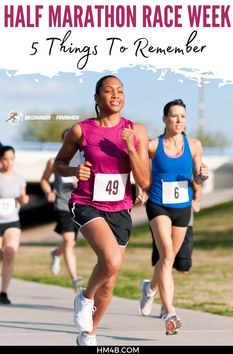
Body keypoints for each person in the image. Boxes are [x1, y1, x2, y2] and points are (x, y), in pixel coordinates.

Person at [53, 75, 150, 346]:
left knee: (109, 281)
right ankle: (84, 297)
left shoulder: (136, 130)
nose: (115, 95)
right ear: (97, 98)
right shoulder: (81, 130)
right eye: (108, 91)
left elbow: (144, 181)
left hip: (120, 208)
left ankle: (89, 333)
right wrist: (74, 170)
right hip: (87, 203)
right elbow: (59, 164)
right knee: (111, 260)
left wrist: (131, 148)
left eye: (120, 90)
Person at [138, 99, 208, 335]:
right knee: (167, 255)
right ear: (165, 119)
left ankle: (150, 289)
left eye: (183, 117)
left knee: (167, 260)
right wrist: (139, 189)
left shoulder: (195, 145)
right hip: (158, 205)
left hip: (183, 207)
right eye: (174, 116)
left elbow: (197, 178)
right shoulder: (152, 146)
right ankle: (169, 313)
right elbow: (139, 170)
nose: (179, 121)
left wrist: (202, 176)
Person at [139, 180, 201, 318]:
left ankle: (150, 289)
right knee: (167, 258)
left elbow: (198, 186)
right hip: (160, 212)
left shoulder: (188, 161)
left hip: (184, 217)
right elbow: (144, 178)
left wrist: (197, 201)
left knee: (182, 267)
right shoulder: (159, 160)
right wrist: (142, 192)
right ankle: (166, 306)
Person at [40, 129, 83, 292]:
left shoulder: (82, 161)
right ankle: (75, 279)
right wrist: (48, 192)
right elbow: (44, 180)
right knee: (69, 240)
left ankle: (56, 254)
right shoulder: (54, 162)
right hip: (61, 204)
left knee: (69, 242)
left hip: (78, 205)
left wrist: (79, 184)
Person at [0, 145, 29, 304]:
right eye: (5, 159)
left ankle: (3, 293)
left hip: (12, 220)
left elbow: (22, 197)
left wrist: (24, 200)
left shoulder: (20, 178)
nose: (9, 162)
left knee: (9, 254)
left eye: (11, 159)